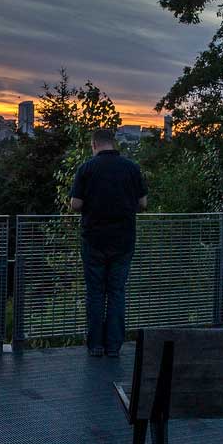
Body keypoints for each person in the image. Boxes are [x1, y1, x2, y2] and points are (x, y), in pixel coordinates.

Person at [68, 128, 147, 358]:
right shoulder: (131, 168)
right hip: (123, 240)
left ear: (94, 145)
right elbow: (143, 203)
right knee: (116, 292)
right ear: (113, 143)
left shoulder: (87, 168)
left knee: (95, 293)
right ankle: (114, 346)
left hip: (94, 240)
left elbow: (75, 204)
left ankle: (95, 345)